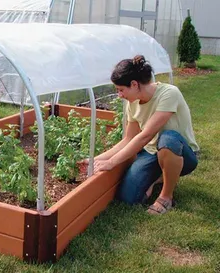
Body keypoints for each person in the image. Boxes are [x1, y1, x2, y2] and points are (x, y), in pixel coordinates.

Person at [78, 55, 199, 215]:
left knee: (168, 138)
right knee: (128, 197)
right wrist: (96, 160)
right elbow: (128, 139)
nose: (119, 95)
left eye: (121, 89)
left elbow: (146, 135)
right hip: (152, 152)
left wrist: (112, 163)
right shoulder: (132, 103)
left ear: (134, 84)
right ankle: (159, 178)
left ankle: (166, 197)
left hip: (181, 152)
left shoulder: (169, 94)